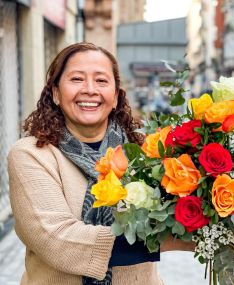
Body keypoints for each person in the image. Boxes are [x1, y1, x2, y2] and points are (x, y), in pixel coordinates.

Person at [8, 42, 195, 285]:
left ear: (116, 96)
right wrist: (170, 240)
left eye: (101, 81)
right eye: (76, 79)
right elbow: (58, 240)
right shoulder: (32, 154)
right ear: (55, 92)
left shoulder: (144, 150)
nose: (89, 90)